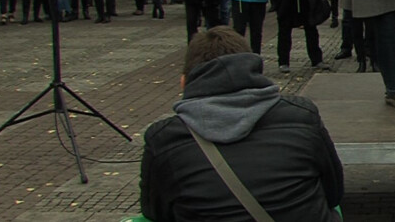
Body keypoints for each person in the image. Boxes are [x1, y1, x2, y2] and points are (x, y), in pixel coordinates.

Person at [139, 26, 344, 221]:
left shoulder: (163, 139)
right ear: (253, 70)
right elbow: (334, 193)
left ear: (185, 82)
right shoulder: (302, 115)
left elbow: (154, 212)